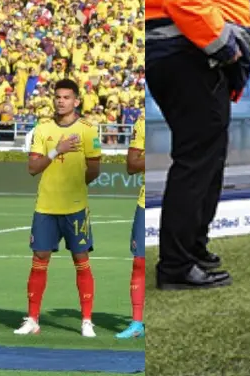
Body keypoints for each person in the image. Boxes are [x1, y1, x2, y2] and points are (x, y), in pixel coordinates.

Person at [145, 0, 250, 291]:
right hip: (190, 54)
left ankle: (191, 247)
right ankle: (176, 263)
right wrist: (226, 48)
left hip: (171, 52)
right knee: (197, 159)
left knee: (204, 155)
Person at [14, 79, 102, 337]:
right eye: (58, 97)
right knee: (39, 259)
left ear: (76, 101)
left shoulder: (87, 130)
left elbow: (95, 169)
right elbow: (33, 168)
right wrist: (56, 150)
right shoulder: (42, 129)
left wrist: (75, 187)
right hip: (46, 207)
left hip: (75, 208)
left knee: (81, 260)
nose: (61, 101)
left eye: (66, 97)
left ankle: (86, 321)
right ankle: (32, 319)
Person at [116, 118, 146, 339]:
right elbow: (132, 165)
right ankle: (137, 323)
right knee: (139, 263)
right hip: (146, 203)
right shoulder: (143, 123)